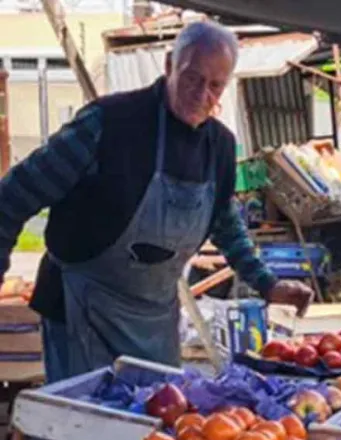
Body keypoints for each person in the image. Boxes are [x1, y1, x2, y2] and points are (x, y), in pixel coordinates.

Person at [0, 20, 312, 382]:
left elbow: (226, 224)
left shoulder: (220, 148)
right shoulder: (106, 125)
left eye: (215, 85)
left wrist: (267, 283)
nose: (201, 94)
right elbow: (13, 195)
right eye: (192, 78)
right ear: (168, 66)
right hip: (81, 311)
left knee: (157, 429)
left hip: (154, 321)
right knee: (86, 429)